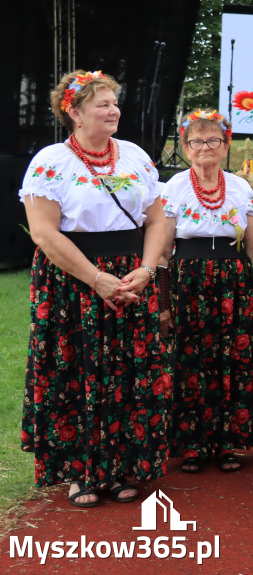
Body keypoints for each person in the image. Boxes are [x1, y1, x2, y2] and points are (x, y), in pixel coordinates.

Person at [19, 70, 171, 507]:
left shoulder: (136, 157)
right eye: (102, 104)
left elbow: (157, 219)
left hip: (130, 276)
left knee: (128, 369)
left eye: (114, 102)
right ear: (74, 112)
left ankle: (125, 465)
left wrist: (145, 269)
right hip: (73, 280)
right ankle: (80, 470)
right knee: (78, 369)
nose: (113, 110)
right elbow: (45, 234)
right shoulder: (50, 162)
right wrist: (95, 278)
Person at [159, 109, 253, 473]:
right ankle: (191, 444)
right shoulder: (173, 187)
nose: (204, 146)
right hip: (186, 284)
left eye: (212, 140)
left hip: (233, 285)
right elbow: (161, 253)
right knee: (188, 360)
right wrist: (162, 305)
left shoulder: (241, 188)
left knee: (233, 360)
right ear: (186, 147)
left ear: (225, 146)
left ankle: (229, 442)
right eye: (196, 141)